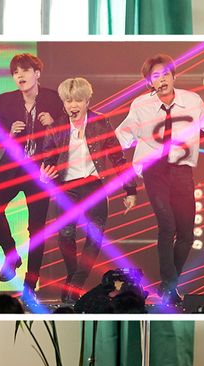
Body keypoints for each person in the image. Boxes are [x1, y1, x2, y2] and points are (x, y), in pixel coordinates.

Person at [115, 53, 204, 307]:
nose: (161, 81)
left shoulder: (192, 101)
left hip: (182, 170)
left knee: (186, 232)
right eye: (155, 77)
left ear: (174, 76)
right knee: (167, 225)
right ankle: (170, 289)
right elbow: (122, 136)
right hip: (154, 170)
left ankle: (167, 285)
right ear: (149, 82)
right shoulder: (141, 105)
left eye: (165, 75)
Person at [41, 77, 137, 304]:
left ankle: (75, 283)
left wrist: (130, 189)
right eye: (68, 101)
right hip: (66, 187)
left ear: (87, 101)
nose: (73, 105)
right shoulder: (56, 128)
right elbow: (46, 160)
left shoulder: (100, 123)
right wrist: (44, 176)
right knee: (65, 235)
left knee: (95, 236)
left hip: (93, 185)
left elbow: (118, 158)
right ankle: (73, 276)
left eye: (78, 100)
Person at [0, 53, 66, 301]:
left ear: (37, 73)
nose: (19, 76)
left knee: (37, 229)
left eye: (25, 71)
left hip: (40, 171)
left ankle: (30, 285)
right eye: (15, 72)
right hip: (12, 166)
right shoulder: (6, 101)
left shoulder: (54, 99)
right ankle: (11, 255)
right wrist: (9, 132)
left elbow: (66, 138)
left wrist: (53, 124)